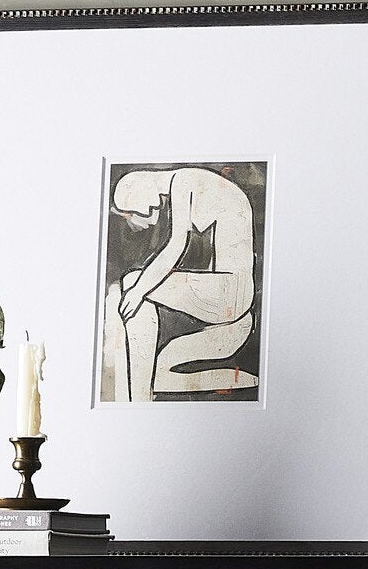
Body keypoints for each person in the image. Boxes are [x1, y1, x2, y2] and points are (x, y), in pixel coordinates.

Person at [102, 167, 257, 401]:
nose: (142, 214)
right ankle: (242, 380)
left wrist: (139, 291)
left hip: (230, 293)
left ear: (141, 187)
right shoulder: (191, 184)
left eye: (135, 206)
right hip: (236, 308)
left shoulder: (185, 180)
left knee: (133, 281)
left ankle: (138, 398)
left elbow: (176, 246)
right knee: (160, 372)